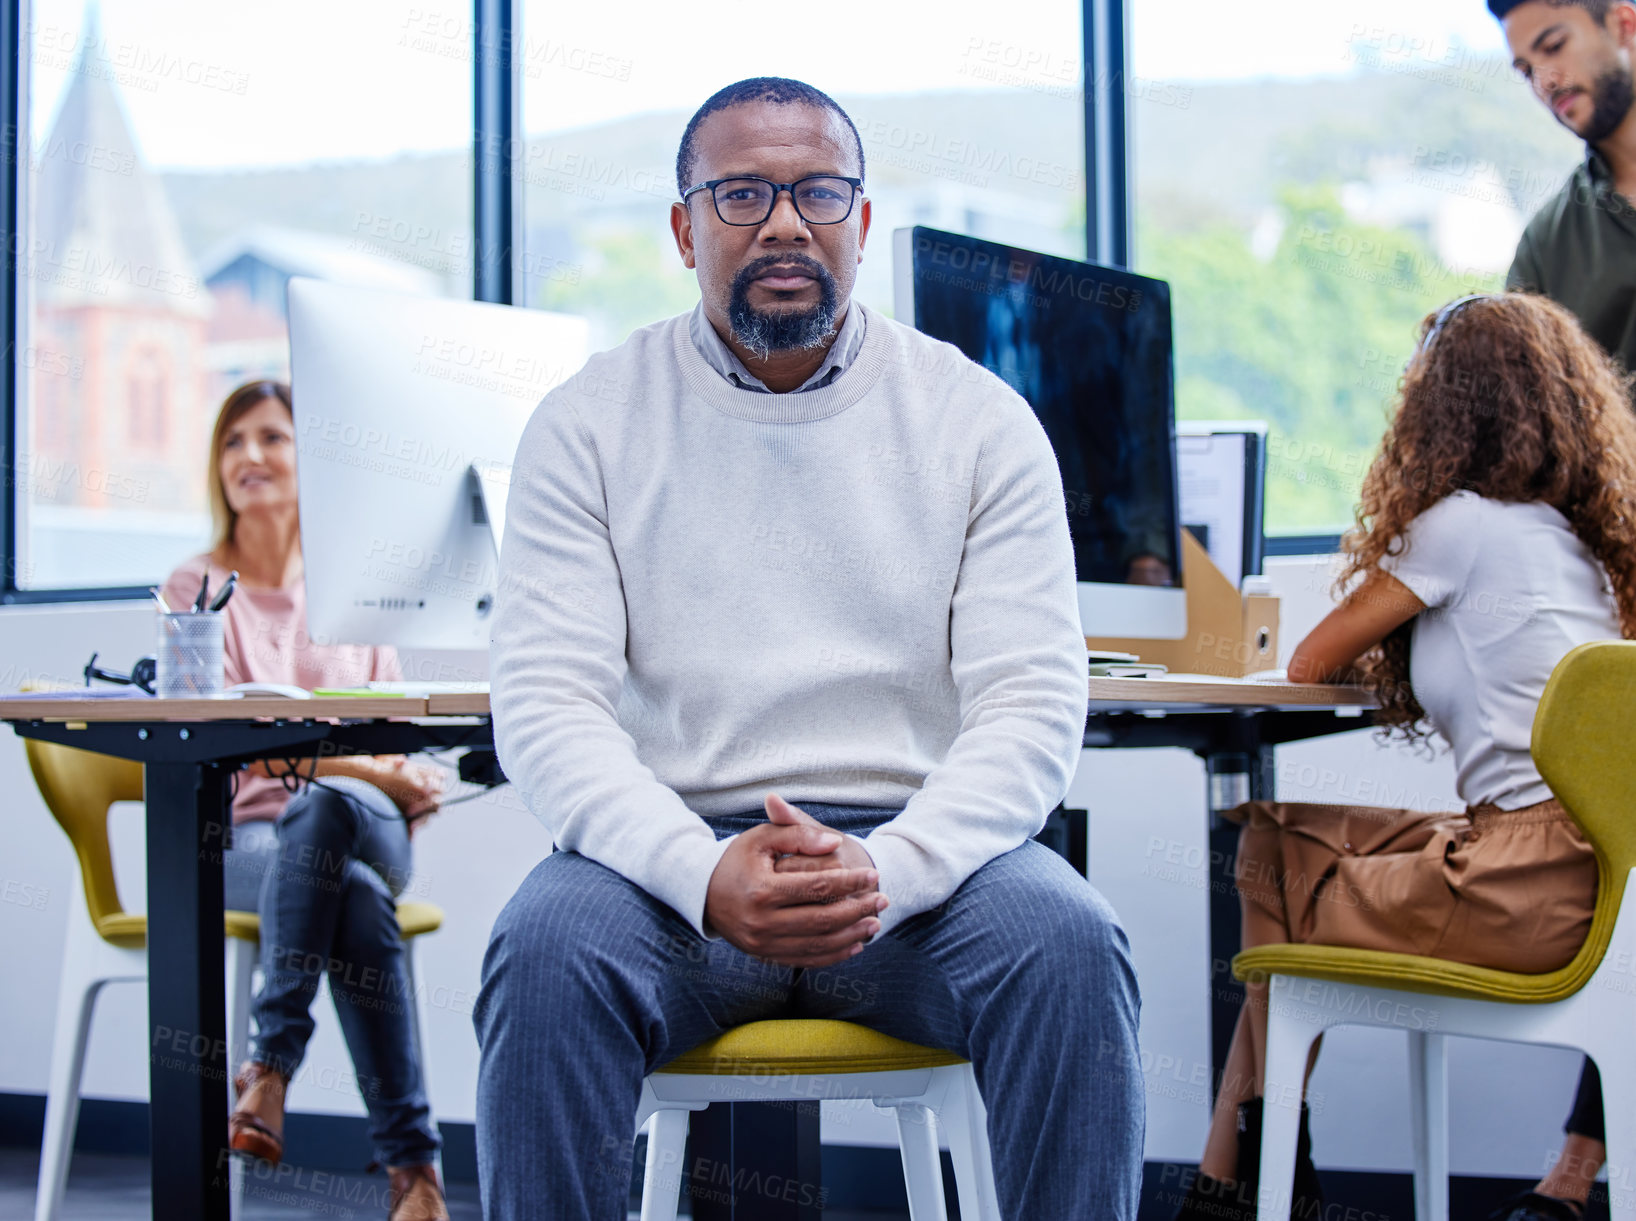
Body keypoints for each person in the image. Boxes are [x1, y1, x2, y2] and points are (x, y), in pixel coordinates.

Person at [475, 77, 1144, 1219]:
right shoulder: (586, 423)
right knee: (542, 953)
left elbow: (1031, 706)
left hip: (917, 875)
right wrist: (698, 870)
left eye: (818, 191)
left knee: (1071, 946)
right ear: (685, 228)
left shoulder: (978, 421)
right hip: (666, 873)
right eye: (741, 193)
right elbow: (545, 707)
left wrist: (893, 865)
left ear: (863, 223)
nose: (784, 221)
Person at [1168, 292, 1636, 1221]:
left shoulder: (1459, 522)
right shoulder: (1578, 541)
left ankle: (1250, 1169)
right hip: (1584, 873)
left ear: (1442, 407)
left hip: (1519, 886)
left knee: (1265, 851)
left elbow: (1310, 661)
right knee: (1276, 833)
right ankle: (1247, 1170)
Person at [160, 379, 451, 1221]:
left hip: (370, 828)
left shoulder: (355, 585)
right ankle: (416, 1178)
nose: (248, 456)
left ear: (306, 458)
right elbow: (226, 741)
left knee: (324, 813)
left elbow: (395, 737)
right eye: (231, 442)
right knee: (344, 879)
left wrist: (368, 775)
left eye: (271, 438)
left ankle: (268, 1069)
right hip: (251, 838)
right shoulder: (196, 589)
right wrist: (362, 769)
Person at [1495, 0, 1636, 378]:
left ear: (1623, 25)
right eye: (1526, 72)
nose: (1545, 81)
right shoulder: (1545, 248)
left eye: (1554, 46)